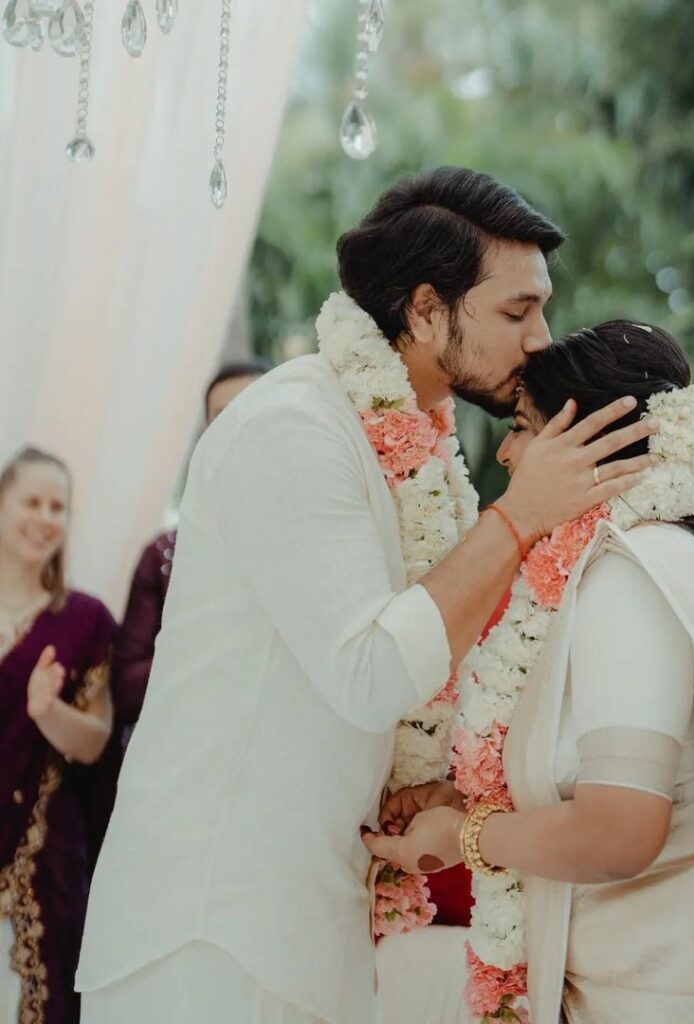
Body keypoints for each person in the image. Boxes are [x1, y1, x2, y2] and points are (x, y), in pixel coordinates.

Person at [76, 168, 653, 1024]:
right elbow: (372, 671)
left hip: (314, 925)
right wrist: (522, 516)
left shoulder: (418, 451)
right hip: (214, 934)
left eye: (541, 308)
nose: (540, 338)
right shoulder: (296, 427)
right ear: (425, 311)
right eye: (515, 310)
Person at [365, 321, 694, 1024]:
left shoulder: (632, 578)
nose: (507, 453)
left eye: (522, 426)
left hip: (671, 998)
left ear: (591, 440)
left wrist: (464, 838)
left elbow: (620, 830)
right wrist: (463, 796)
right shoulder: (662, 559)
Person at [80, 360, 272, 870]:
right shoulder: (164, 556)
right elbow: (126, 686)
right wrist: (219, 652)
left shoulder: (315, 537)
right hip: (183, 778)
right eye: (219, 417)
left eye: (250, 411)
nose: (234, 428)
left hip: (279, 772)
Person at [0, 447, 117, 1024]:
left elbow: (95, 741)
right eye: (32, 501)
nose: (46, 516)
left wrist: (47, 711)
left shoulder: (84, 620)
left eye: (59, 506)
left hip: (41, 864)